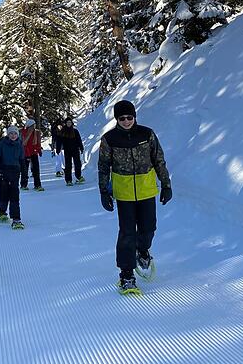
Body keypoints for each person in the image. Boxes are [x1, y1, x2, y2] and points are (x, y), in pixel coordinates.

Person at [98, 100, 172, 295]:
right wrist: (104, 191)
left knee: (148, 228)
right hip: (124, 194)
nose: (126, 121)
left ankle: (142, 250)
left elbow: (159, 160)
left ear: (134, 116)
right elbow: (104, 166)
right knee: (127, 233)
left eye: (129, 117)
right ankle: (126, 274)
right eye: (122, 118)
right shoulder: (109, 139)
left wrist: (166, 185)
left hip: (147, 190)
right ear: (117, 119)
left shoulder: (147, 134)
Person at [0, 125, 26, 229]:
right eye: (11, 133)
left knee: (14, 194)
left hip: (15, 172)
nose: (13, 135)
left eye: (15, 133)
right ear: (8, 134)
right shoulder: (2, 144)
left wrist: (24, 174)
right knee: (4, 192)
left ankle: (16, 218)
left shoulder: (19, 145)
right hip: (4, 171)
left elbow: (22, 160)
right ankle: (2, 211)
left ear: (18, 135)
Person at [56, 117, 85, 186]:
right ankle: (68, 180)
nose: (69, 124)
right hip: (67, 151)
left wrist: (81, 147)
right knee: (68, 165)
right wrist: (58, 148)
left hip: (75, 150)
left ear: (72, 123)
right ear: (65, 124)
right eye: (67, 123)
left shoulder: (75, 131)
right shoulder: (63, 131)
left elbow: (79, 140)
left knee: (77, 164)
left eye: (70, 122)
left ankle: (79, 177)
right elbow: (59, 141)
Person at [21, 119, 44, 191]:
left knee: (36, 169)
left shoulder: (36, 132)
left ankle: (37, 185)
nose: (34, 126)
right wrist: (27, 154)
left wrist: (39, 150)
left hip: (34, 153)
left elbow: (38, 142)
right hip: (26, 153)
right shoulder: (24, 132)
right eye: (33, 125)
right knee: (25, 170)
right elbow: (24, 144)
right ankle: (23, 185)